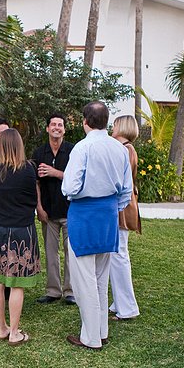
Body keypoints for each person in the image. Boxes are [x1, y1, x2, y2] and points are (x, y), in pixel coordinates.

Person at [62, 102, 133, 350]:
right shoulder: (119, 149)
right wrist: (112, 206)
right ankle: (101, 331)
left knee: (85, 281)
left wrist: (74, 194)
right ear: (106, 122)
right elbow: (126, 189)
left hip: (85, 214)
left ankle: (91, 337)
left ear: (85, 121)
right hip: (108, 215)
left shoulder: (83, 147)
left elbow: (70, 186)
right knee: (101, 278)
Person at [0, 129, 44, 345]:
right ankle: (14, 332)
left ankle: (2, 328)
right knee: (16, 283)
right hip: (20, 230)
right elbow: (31, 199)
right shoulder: (28, 169)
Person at [33, 113, 75, 305]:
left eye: (60, 125)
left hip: (70, 211)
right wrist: (39, 207)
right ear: (47, 129)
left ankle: (70, 291)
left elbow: (77, 178)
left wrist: (56, 173)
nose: (57, 127)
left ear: (64, 129)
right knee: (51, 253)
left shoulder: (73, 151)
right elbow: (36, 183)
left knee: (70, 253)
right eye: (53, 124)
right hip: (47, 212)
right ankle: (53, 291)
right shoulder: (39, 153)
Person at [108, 115, 142, 321]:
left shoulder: (126, 150)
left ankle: (127, 307)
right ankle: (119, 302)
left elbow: (121, 181)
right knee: (116, 255)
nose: (112, 127)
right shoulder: (125, 149)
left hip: (122, 207)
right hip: (123, 205)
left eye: (115, 124)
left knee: (119, 255)